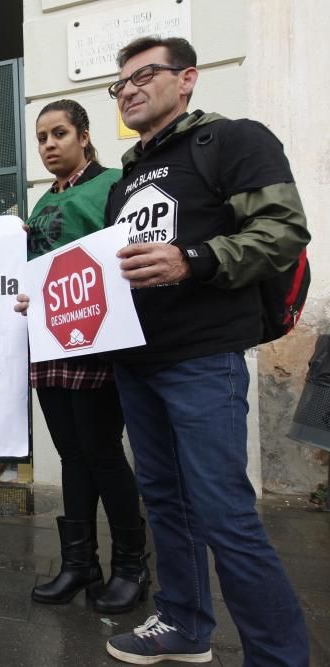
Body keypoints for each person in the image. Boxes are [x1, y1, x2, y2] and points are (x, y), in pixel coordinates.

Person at [102, 37, 309, 665]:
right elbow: (112, 272)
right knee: (164, 501)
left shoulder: (233, 140)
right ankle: (185, 625)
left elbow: (282, 231)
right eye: (120, 85)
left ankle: (277, 656)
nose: (129, 90)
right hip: (137, 363)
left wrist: (193, 259)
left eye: (145, 75)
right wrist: (57, 303)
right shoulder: (126, 179)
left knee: (224, 512)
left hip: (202, 360)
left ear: (187, 79)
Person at [14, 101, 149, 612]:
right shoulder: (41, 202)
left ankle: (132, 566)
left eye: (59, 134)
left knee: (102, 452)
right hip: (50, 344)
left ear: (85, 137)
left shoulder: (114, 185)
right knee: (72, 453)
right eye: (42, 137)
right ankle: (79, 563)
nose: (49, 145)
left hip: (98, 341)